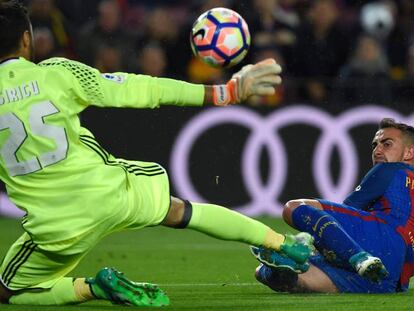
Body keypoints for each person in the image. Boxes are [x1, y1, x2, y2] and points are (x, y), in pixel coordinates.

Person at [0, 1, 313, 307]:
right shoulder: (57, 73)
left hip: (56, 226)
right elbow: (143, 89)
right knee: (181, 211)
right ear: (26, 39)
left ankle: (94, 287)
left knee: (9, 292)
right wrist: (224, 92)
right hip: (111, 192)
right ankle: (283, 244)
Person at [252, 118, 414, 293]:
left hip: (379, 237)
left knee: (294, 207)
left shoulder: (391, 169)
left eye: (386, 144)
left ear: (409, 152)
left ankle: (357, 257)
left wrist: (321, 246)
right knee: (270, 273)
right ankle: (289, 269)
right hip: (389, 280)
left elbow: (344, 216)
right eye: (375, 145)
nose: (377, 150)